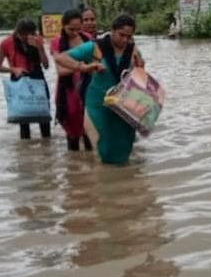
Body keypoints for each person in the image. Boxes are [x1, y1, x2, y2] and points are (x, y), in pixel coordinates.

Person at [54, 13, 145, 165]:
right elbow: (60, 58)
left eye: (129, 37)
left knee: (124, 152)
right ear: (112, 30)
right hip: (97, 107)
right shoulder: (95, 47)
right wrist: (83, 67)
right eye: (121, 35)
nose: (125, 40)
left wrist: (140, 68)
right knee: (101, 154)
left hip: (124, 108)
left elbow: (139, 79)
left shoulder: (133, 50)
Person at [0, 18, 51, 140]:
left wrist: (40, 48)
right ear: (17, 32)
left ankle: (46, 145)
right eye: (23, 34)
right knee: (23, 121)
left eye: (30, 34)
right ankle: (26, 147)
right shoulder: (6, 43)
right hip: (19, 80)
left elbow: (46, 65)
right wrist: (13, 69)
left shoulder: (37, 40)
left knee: (44, 117)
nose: (26, 37)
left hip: (37, 78)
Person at [50, 9, 91, 151]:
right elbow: (60, 70)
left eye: (78, 29)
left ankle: (87, 161)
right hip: (68, 89)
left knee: (88, 127)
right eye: (71, 29)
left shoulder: (88, 38)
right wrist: (82, 67)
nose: (75, 32)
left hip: (87, 86)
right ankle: (74, 160)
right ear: (63, 26)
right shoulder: (56, 42)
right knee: (71, 127)